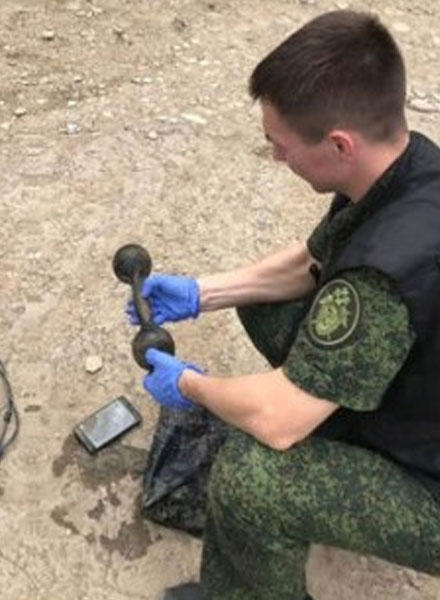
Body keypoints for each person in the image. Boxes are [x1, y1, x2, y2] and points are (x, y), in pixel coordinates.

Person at [127, 11, 440, 600]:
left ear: (339, 144)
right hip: (423, 398)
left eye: (282, 145)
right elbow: (312, 262)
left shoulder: (380, 283)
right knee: (266, 306)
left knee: (251, 478)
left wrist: (190, 384)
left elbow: (278, 423)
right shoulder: (409, 169)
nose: (275, 157)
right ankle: (342, 412)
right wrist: (201, 293)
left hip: (433, 482)